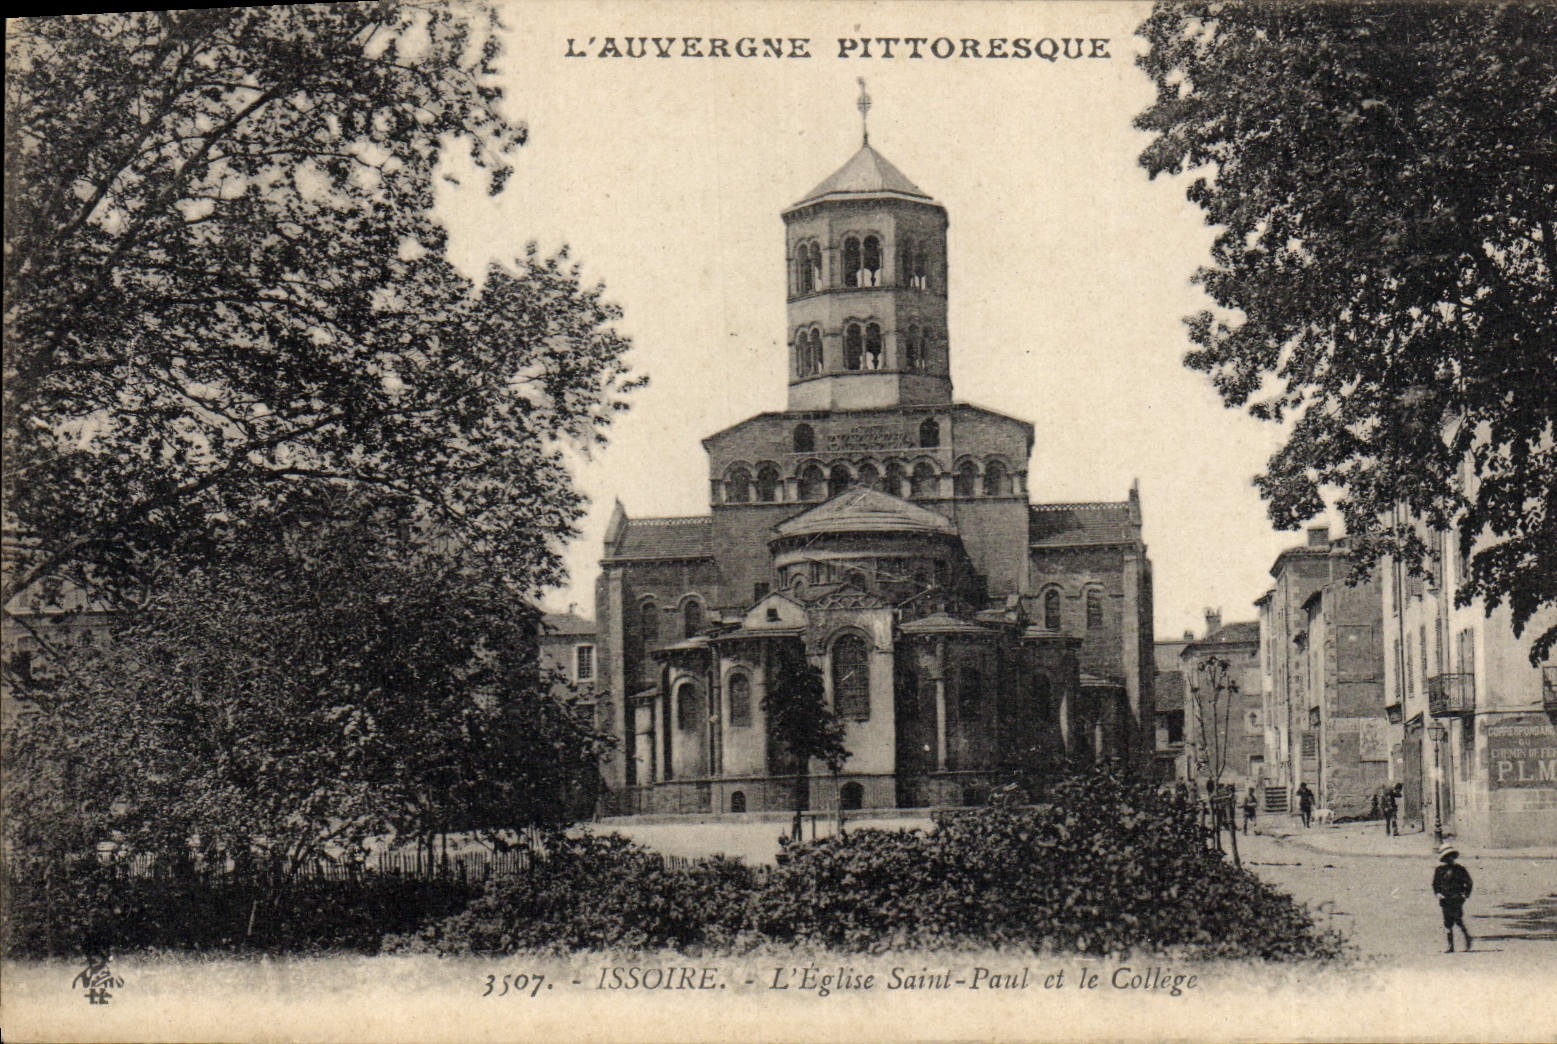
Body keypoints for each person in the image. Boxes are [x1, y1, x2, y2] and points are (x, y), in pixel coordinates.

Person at [1433, 843, 1474, 953]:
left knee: (1457, 918)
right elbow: (1435, 884)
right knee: (1447, 922)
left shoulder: (1460, 869)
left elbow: (1469, 882)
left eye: (1451, 856)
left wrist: (1465, 894)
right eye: (1447, 857)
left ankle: (1466, 937)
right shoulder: (1439, 870)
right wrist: (1438, 893)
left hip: (1456, 898)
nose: (1449, 859)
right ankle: (1450, 945)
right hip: (1445, 899)